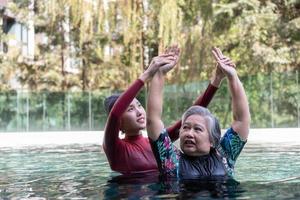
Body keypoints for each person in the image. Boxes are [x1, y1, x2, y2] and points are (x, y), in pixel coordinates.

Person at [103, 46, 224, 175]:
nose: (139, 111)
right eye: (130, 109)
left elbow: (194, 112)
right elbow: (115, 114)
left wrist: (216, 81)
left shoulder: (156, 141)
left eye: (139, 105)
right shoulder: (114, 148)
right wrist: (147, 74)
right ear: (118, 124)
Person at [146, 47, 251, 179]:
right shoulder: (172, 161)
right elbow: (152, 120)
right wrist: (160, 73)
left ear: (212, 141)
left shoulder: (224, 156)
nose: (189, 133)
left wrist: (232, 76)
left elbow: (242, 120)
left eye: (198, 129)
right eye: (186, 127)